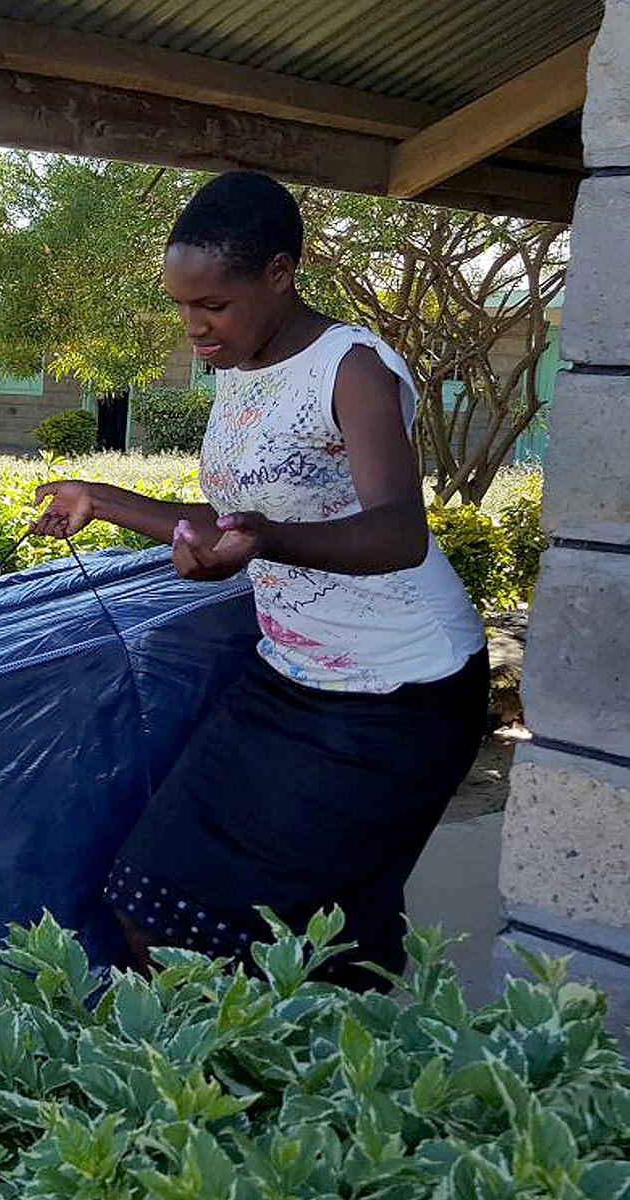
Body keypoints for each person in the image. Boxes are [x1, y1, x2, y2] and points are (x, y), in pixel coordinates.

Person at [32, 171, 488, 986]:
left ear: (279, 274)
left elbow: (397, 532)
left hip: (403, 690)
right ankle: (224, 1087)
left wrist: (264, 540)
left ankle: (341, 1094)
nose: (194, 328)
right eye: (181, 307)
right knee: (152, 894)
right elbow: (234, 523)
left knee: (324, 941)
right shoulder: (238, 369)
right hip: (293, 675)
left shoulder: (351, 367)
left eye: (212, 305)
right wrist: (99, 500)